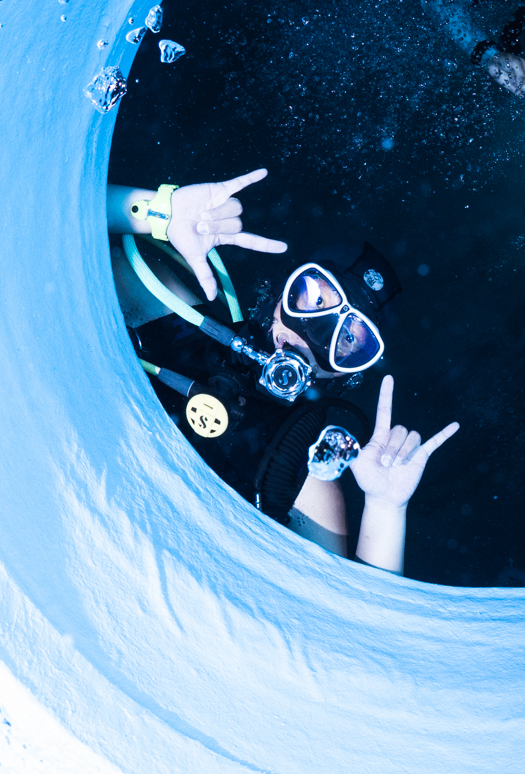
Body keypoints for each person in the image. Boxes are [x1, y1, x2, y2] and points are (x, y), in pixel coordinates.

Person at [107, 168, 457, 572]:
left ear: (348, 371)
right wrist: (158, 211)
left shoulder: (302, 477)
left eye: (347, 338)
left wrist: (385, 508)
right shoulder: (176, 316)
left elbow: (345, 605)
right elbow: (59, 224)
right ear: (281, 294)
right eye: (315, 299)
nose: (312, 333)